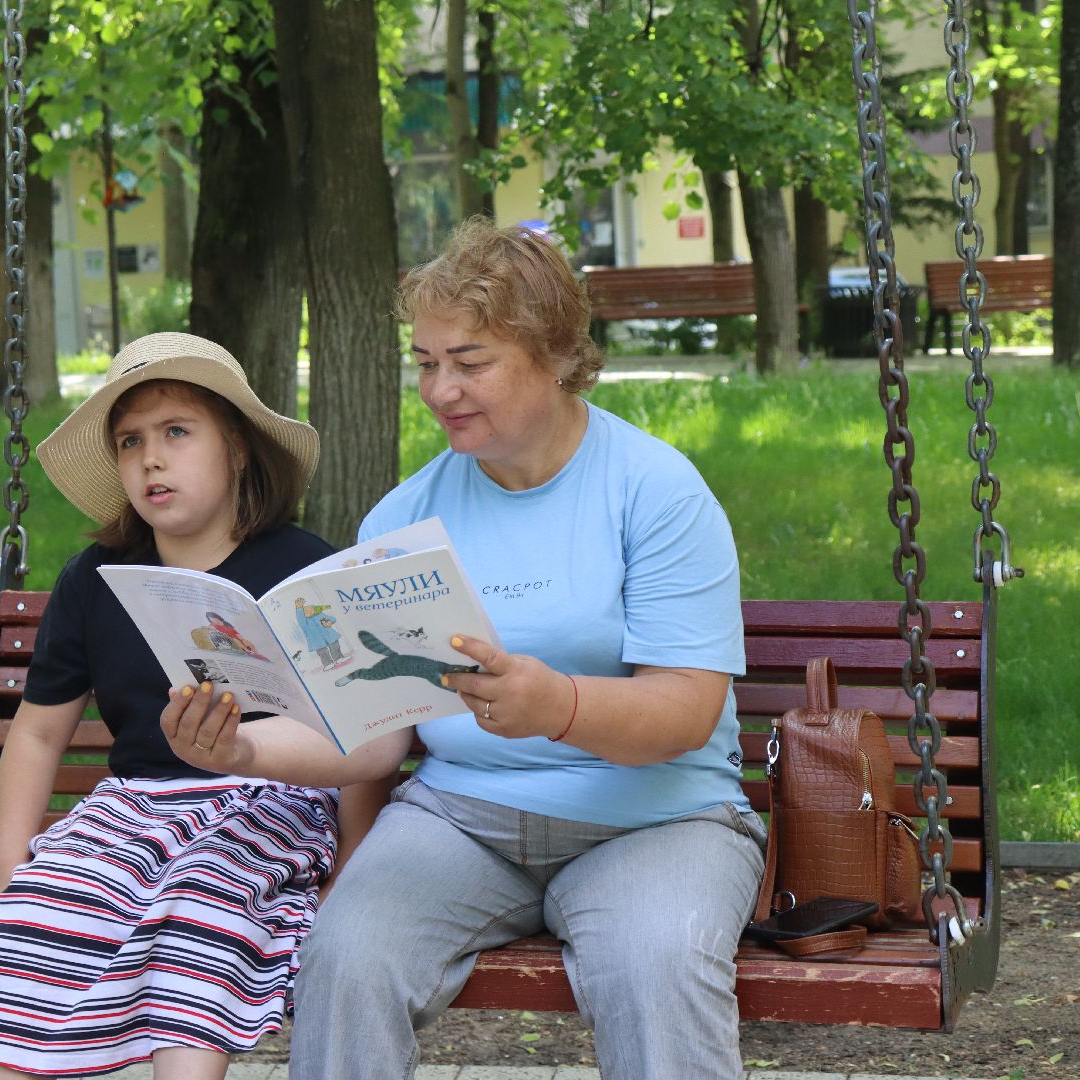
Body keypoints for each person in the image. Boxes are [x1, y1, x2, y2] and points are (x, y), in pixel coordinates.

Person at [161, 218, 763, 1078]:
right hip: (461, 820)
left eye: (470, 361)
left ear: (555, 355)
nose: (441, 389)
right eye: (426, 361)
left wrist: (557, 706)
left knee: (655, 966)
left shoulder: (657, 492)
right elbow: (374, 739)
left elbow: (686, 713)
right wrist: (241, 744)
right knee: (346, 955)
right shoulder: (401, 520)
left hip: (656, 820)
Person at [0, 332, 340, 1080]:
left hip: (269, 806)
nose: (152, 457)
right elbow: (40, 734)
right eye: (130, 441)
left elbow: (357, 737)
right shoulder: (98, 578)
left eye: (177, 432)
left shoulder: (301, 568)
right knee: (37, 917)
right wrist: (11, 869)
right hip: (132, 811)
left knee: (201, 910)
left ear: (237, 447)